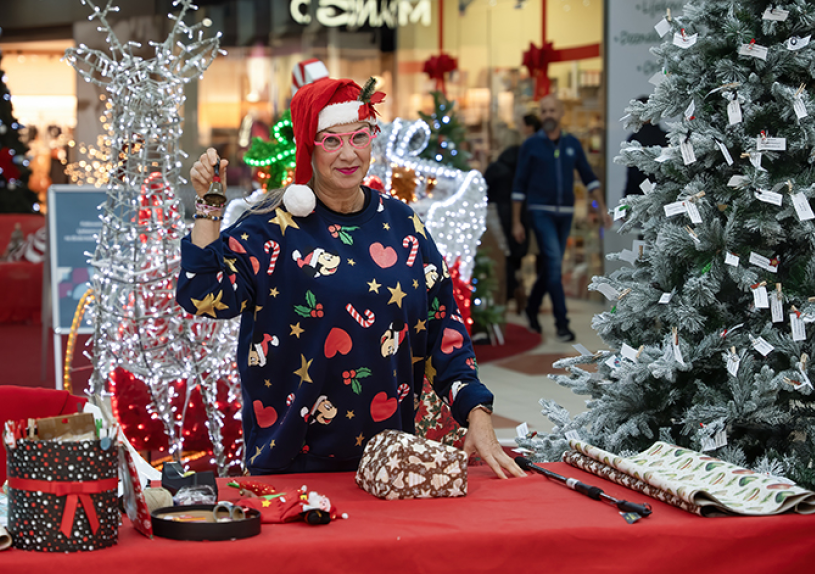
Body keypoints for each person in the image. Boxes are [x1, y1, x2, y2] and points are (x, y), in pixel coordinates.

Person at [177, 77, 525, 479]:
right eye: (331, 141)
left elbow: (444, 332)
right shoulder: (270, 229)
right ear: (310, 145)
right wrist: (208, 206)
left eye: (359, 136)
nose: (348, 153)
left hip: (388, 466)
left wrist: (477, 415)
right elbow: (200, 294)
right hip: (291, 466)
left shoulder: (404, 225)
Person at [511, 95, 612, 342]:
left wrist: (601, 208)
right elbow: (519, 185)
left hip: (565, 213)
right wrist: (516, 221)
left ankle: (532, 308)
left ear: (561, 113)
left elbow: (589, 177)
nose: (547, 115)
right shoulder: (531, 145)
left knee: (550, 267)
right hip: (540, 211)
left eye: (552, 110)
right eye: (544, 111)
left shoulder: (572, 144)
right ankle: (562, 324)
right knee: (554, 261)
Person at [484, 113, 541, 311]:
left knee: (503, 254)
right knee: (518, 255)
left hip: (499, 215)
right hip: (524, 215)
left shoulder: (497, 167)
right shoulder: (527, 166)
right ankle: (520, 288)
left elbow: (484, 190)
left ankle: (510, 291)